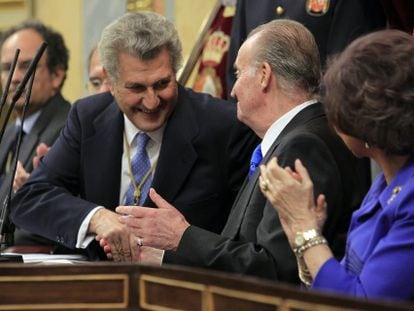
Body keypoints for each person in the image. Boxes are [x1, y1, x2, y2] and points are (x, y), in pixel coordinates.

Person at [111, 19, 362, 283]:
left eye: (239, 74)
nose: (232, 90)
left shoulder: (303, 146)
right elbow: (245, 252)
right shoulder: (291, 139)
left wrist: (182, 236)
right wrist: (162, 257)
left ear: (264, 75)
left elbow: (275, 270)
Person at [10, 12, 258, 260]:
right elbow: (30, 198)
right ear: (112, 81)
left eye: (162, 84)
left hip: (183, 287)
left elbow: (244, 246)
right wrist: (97, 217)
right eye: (137, 87)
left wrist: (181, 240)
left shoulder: (224, 126)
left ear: (175, 71)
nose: (151, 102)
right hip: (97, 285)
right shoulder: (88, 117)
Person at [259, 29, 414, 300]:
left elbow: (360, 303)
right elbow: (343, 277)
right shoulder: (386, 182)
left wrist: (305, 229)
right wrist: (305, 233)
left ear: (365, 122)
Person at [0, 20, 71, 247]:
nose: (15, 78)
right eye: (6, 68)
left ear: (57, 75)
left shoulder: (68, 129)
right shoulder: (9, 131)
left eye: (27, 66)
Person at [12, 44, 110, 192]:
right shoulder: (81, 133)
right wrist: (46, 187)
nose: (103, 91)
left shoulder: (64, 123)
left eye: (113, 80)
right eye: (96, 83)